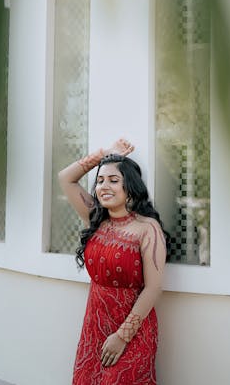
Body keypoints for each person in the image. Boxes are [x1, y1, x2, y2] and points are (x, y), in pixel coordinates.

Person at [58, 138, 167, 385]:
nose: (104, 186)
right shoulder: (95, 218)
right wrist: (104, 154)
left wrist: (122, 336)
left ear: (130, 186)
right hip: (94, 327)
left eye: (114, 180)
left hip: (133, 329)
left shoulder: (147, 228)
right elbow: (65, 178)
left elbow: (153, 288)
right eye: (100, 181)